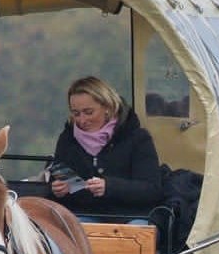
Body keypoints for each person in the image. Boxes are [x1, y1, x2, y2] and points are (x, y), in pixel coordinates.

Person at [49, 77, 163, 221]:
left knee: (135, 232)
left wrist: (109, 187)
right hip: (84, 214)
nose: (82, 120)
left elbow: (152, 190)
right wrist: (59, 190)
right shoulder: (67, 139)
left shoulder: (137, 138)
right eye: (76, 113)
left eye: (89, 112)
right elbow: (59, 179)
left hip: (131, 216)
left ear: (107, 108)